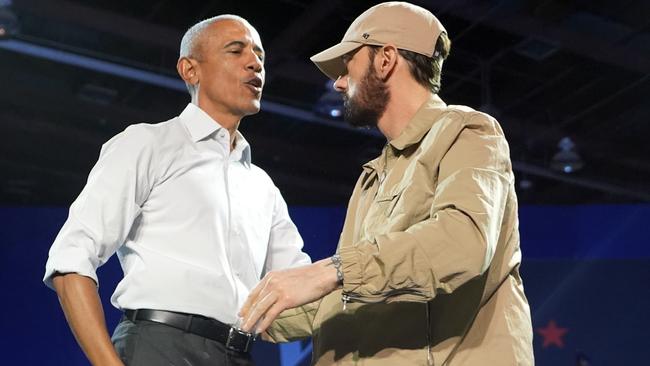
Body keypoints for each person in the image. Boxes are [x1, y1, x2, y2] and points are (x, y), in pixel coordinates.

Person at [239, 2, 534, 365]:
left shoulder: (467, 130)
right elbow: (351, 291)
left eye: (348, 65)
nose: (339, 82)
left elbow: (463, 242)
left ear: (386, 59)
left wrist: (332, 271)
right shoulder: (373, 175)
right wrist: (246, 309)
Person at [43, 15, 311, 366]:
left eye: (260, 55)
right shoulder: (147, 144)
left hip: (240, 354)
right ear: (190, 70)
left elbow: (301, 289)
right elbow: (71, 260)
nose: (255, 63)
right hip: (159, 348)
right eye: (236, 50)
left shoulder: (262, 186)